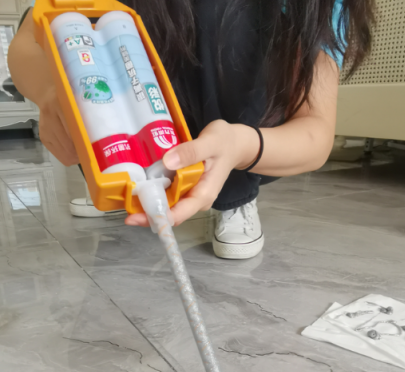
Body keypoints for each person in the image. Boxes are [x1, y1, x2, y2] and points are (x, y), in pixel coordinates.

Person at [9, 0, 374, 259]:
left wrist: (240, 146)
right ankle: (121, 175)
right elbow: (28, 37)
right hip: (127, 127)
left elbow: (315, 133)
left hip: (238, 135)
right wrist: (52, 93)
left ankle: (233, 195)